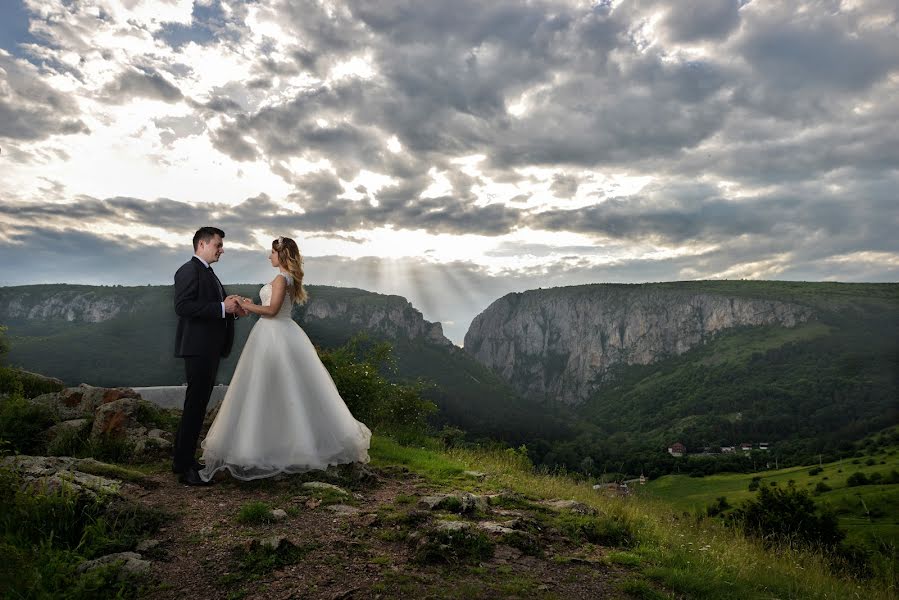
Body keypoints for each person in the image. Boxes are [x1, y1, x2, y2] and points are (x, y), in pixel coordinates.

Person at [199, 236, 371, 482]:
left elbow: (271, 311)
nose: (269, 256)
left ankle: (270, 446)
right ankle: (283, 441)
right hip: (278, 333)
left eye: (271, 252)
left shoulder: (281, 278)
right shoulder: (287, 278)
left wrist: (243, 304)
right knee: (283, 388)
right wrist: (249, 305)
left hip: (274, 334)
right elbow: (269, 308)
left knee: (270, 387)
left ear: (281, 254)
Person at [172, 226, 246, 486]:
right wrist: (220, 306)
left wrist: (231, 307)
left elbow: (215, 307)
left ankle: (183, 460)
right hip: (198, 348)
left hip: (208, 348)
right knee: (195, 406)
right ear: (202, 244)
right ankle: (185, 469)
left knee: (197, 405)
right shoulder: (189, 270)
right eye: (218, 245)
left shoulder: (207, 272)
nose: (221, 249)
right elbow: (182, 306)